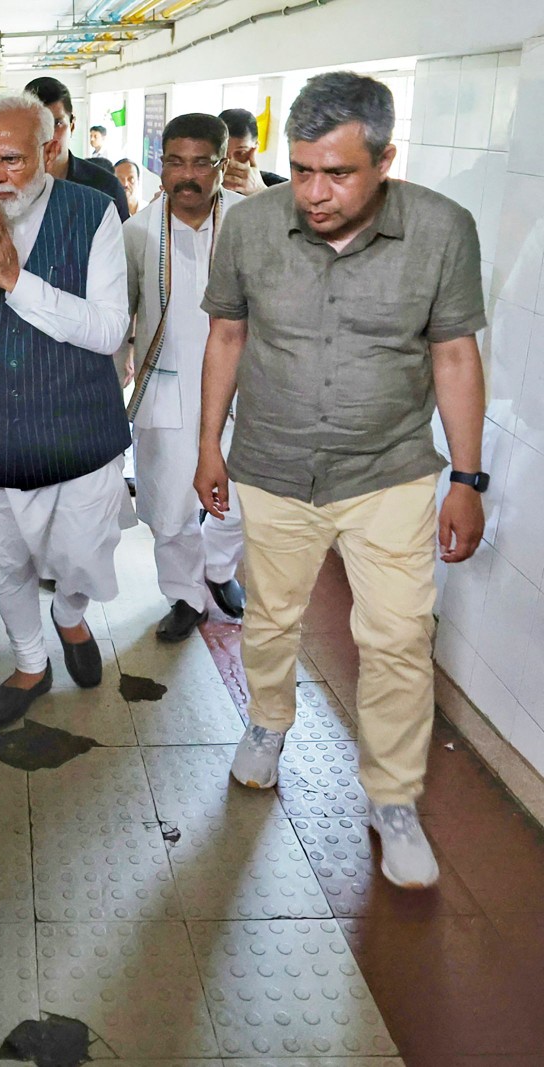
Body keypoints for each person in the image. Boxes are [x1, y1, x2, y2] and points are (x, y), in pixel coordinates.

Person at [197, 72, 488, 889]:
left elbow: (455, 354)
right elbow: (226, 336)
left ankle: (392, 798)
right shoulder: (251, 226)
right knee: (271, 618)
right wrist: (207, 446)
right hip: (272, 462)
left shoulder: (440, 230)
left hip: (389, 470)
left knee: (398, 636)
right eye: (301, 170)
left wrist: (467, 475)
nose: (314, 193)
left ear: (386, 159)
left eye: (338, 173)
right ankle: (266, 723)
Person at [0, 92, 130, 726]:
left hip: (81, 431)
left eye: (10, 159)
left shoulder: (94, 215)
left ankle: (69, 618)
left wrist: (18, 282)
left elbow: (109, 329)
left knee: (83, 555)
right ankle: (30, 661)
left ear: (51, 149)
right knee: (4, 561)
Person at [123, 114, 247, 644]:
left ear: (224, 163)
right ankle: (184, 594)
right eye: (176, 162)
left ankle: (219, 569)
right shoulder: (136, 233)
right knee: (168, 505)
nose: (187, 176)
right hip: (166, 389)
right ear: (161, 163)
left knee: (242, 501)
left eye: (202, 163)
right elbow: (117, 322)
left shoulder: (251, 222)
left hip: (246, 392)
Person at [24, 77, 128, 219]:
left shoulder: (106, 188)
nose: (47, 135)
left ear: (72, 125)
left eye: (57, 123)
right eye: (36, 124)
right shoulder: (10, 187)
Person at [219, 107, 288, 193]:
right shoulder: (204, 181)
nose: (230, 162)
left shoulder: (280, 187)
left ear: (255, 147)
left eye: (240, 153)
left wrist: (260, 191)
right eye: (223, 153)